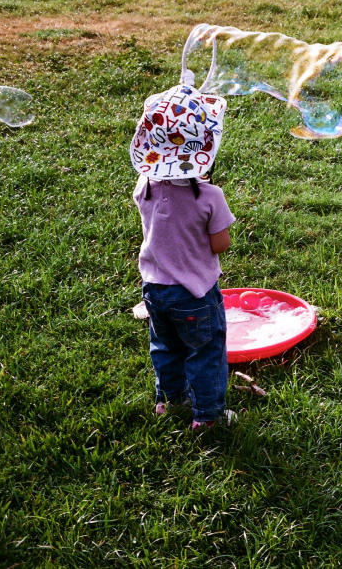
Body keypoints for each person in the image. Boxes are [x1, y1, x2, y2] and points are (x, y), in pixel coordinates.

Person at [130, 83, 236, 429]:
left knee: (165, 348)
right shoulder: (210, 196)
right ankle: (207, 418)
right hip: (195, 294)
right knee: (205, 354)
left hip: (155, 291)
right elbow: (220, 244)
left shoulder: (144, 185)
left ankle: (168, 401)